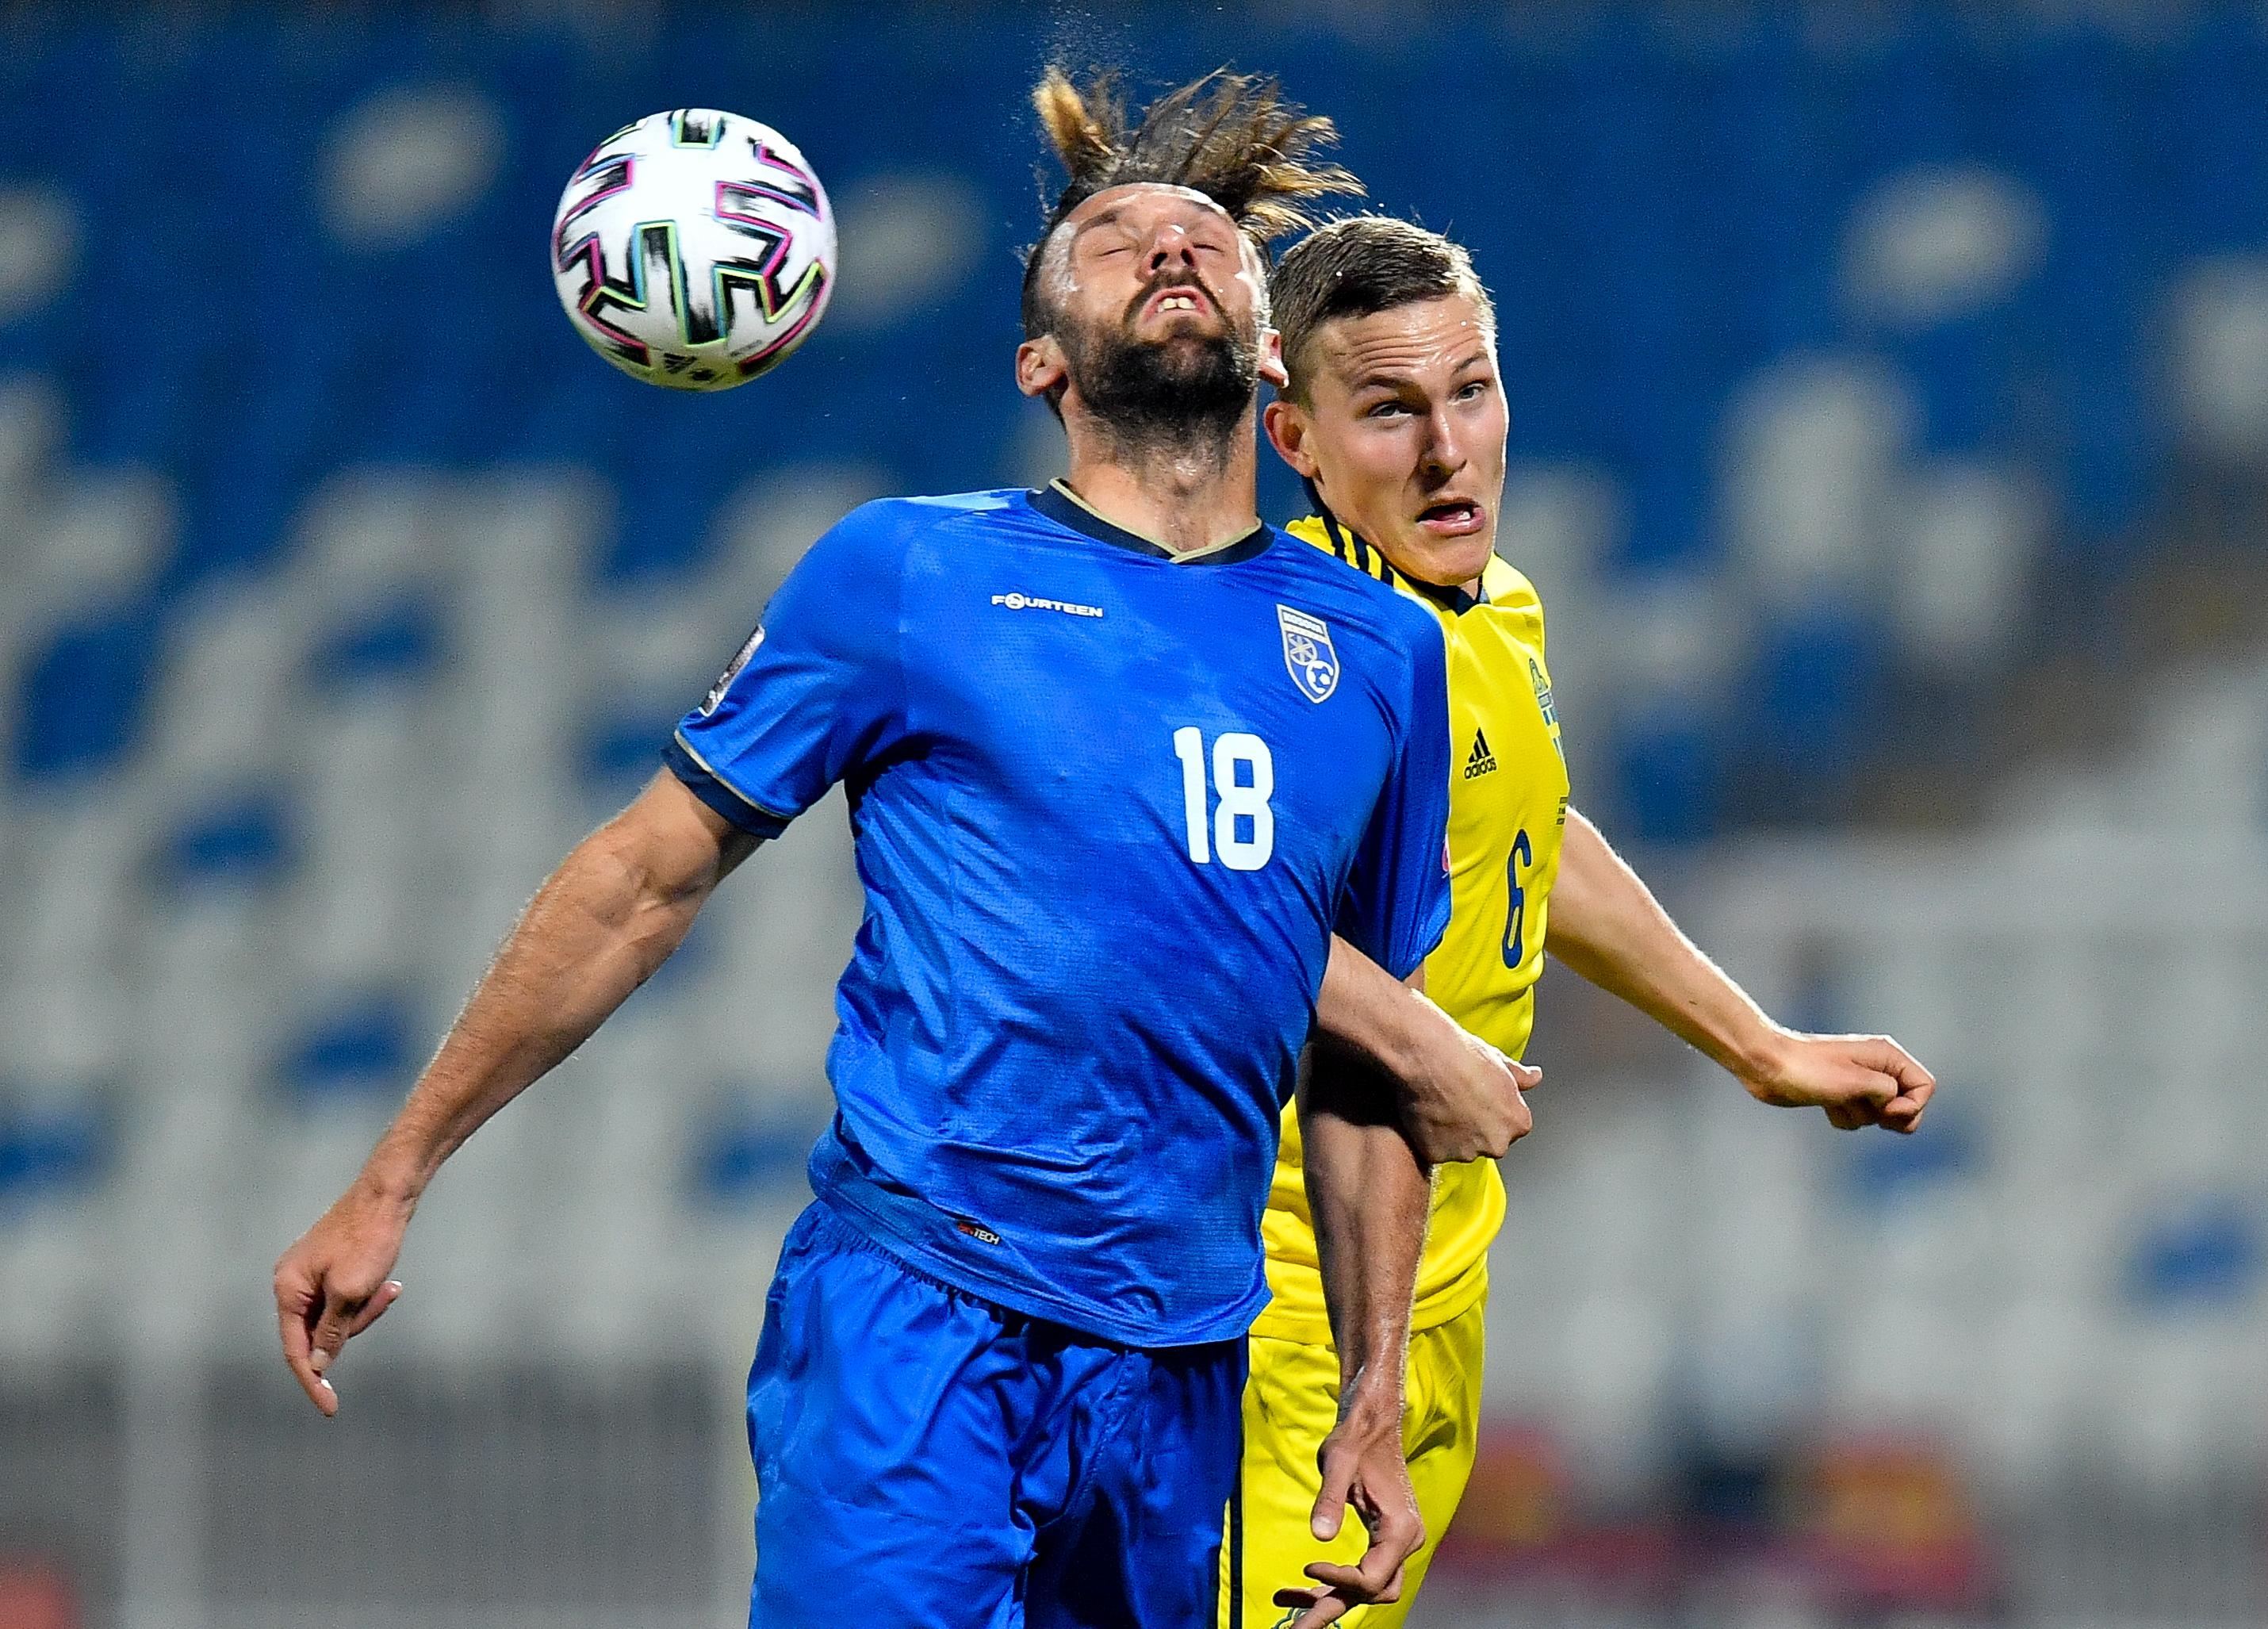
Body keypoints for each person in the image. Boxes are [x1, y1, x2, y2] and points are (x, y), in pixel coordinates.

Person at [272, 74, 1530, 1629]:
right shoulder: (906, 572)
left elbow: (1366, 1074)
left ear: (1269, 343)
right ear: (1040, 362)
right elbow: (642, 877)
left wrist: (1371, 1391)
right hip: (921, 1318)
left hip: (1186, 1371)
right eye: (1112, 238)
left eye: (1201, 232)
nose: (1166, 246)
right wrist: (393, 1177)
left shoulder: (1376, 653)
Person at [1222, 216, 1940, 1627]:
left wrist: (1758, 1046)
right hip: (1288, 1323)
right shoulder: (1299, 663)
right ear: (1294, 438)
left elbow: (1531, 833)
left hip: (1435, 1295)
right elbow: (1223, 914)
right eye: (1387, 412)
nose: (1447, 450)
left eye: (1472, 392)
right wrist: (1418, 1046)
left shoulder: (1491, 608)